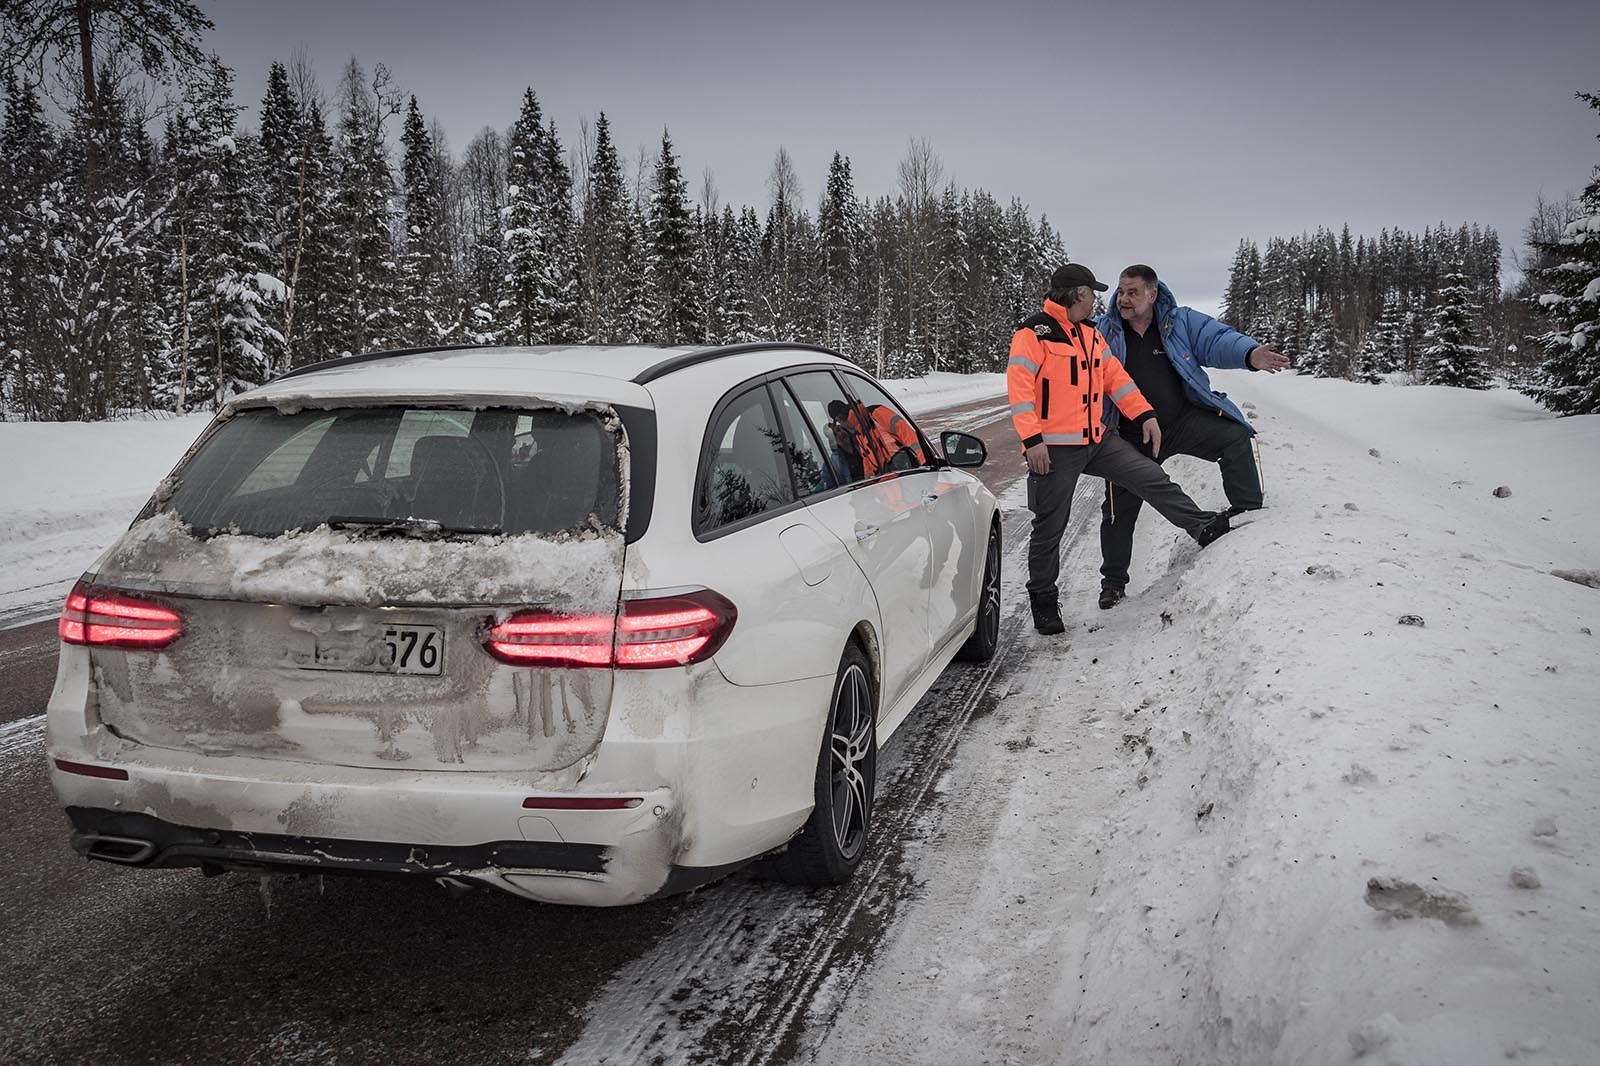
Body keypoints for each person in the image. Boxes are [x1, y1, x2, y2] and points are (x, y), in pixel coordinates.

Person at [1008, 263, 1231, 636]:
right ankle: (1044, 599)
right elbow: (1020, 392)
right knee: (1050, 526)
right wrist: (1032, 440)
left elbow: (1116, 379)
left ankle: (1202, 527)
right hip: (1054, 448)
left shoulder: (1091, 335)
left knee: (1150, 476)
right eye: (1092, 293)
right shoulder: (1034, 334)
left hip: (1099, 439)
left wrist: (1143, 413)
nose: (1097, 299)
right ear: (1078, 295)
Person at [1094, 264, 1290, 610]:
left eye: (1132, 292)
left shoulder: (1178, 321)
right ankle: (1112, 583)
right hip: (1129, 434)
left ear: (1152, 294)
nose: (1123, 299)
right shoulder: (1104, 332)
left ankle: (1246, 511)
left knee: (1233, 436)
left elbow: (1216, 339)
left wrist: (1250, 354)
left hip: (1179, 420)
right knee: (1117, 510)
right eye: (1121, 292)